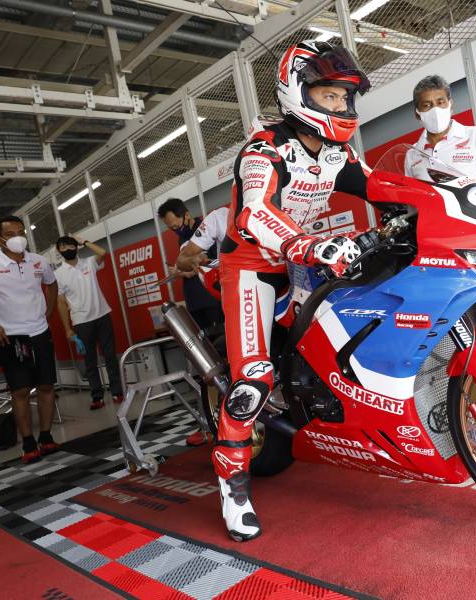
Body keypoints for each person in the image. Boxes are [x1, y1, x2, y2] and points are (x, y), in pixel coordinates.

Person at [175, 40, 373, 542]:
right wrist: (308, 245)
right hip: (251, 267)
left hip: (300, 263)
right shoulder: (264, 149)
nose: (340, 106)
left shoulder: (338, 152)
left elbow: (381, 187)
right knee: (253, 379)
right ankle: (233, 484)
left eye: (344, 97)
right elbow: (254, 213)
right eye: (328, 95)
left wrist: (444, 197)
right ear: (297, 92)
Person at [0, 215, 60, 464]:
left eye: (21, 232)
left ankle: (46, 437)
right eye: (10, 234)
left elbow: (52, 285)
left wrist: (49, 311)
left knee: (46, 386)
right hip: (11, 337)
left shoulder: (39, 261)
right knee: (20, 391)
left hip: (40, 332)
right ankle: (28, 443)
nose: (18, 238)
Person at [405, 74, 476, 199]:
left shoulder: (475, 136)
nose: (435, 110)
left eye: (440, 102)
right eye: (427, 105)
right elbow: (413, 199)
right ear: (417, 113)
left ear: (450, 104)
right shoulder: (412, 154)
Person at [54, 235, 123, 410]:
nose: (67, 249)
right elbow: (60, 302)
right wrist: (68, 329)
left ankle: (117, 392)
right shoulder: (57, 274)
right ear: (58, 251)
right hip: (80, 321)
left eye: (70, 246)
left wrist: (84, 242)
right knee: (90, 361)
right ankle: (97, 396)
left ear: (76, 247)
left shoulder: (89, 262)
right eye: (63, 247)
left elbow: (103, 252)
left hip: (102, 314)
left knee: (110, 356)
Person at [157, 198, 223, 331]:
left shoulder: (206, 229)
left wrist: (181, 271)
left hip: (210, 298)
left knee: (219, 337)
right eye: (171, 228)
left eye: (176, 226)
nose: (175, 230)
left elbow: (208, 263)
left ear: (186, 215)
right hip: (193, 302)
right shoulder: (182, 238)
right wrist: (180, 270)